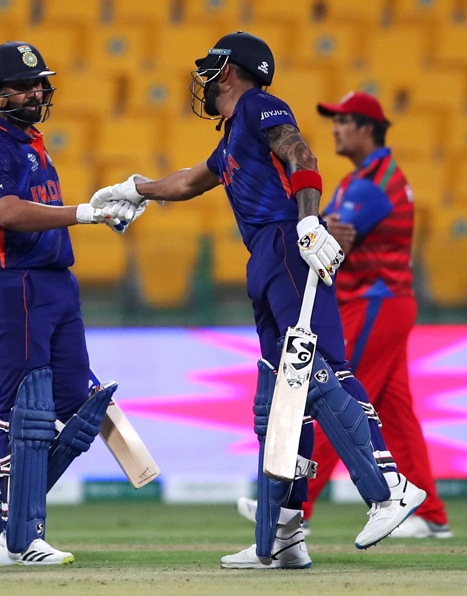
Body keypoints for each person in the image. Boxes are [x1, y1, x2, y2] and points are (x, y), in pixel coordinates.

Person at [89, 31, 426, 569]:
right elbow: (187, 182)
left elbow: (300, 152)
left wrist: (309, 219)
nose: (204, 77)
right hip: (265, 257)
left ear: (229, 71)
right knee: (279, 400)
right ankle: (283, 535)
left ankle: (388, 486)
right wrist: (136, 188)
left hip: (285, 245)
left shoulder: (258, 104)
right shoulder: (232, 136)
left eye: (212, 66)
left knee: (314, 370)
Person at [0, 41, 143, 566]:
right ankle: (18, 538)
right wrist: (86, 213)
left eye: (39, 83)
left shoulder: (33, 143)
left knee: (77, 404)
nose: (35, 92)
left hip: (56, 282)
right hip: (15, 281)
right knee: (23, 402)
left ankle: (2, 507)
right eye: (22, 85)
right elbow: (12, 213)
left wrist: (98, 209)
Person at [236, 92, 452, 540]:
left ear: (367, 128)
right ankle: (431, 514)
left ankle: (301, 507)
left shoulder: (372, 183)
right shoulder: (378, 177)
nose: (335, 128)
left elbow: (334, 241)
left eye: (343, 121)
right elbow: (335, 229)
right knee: (397, 411)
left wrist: (321, 226)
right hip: (390, 300)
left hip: (373, 300)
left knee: (332, 392)